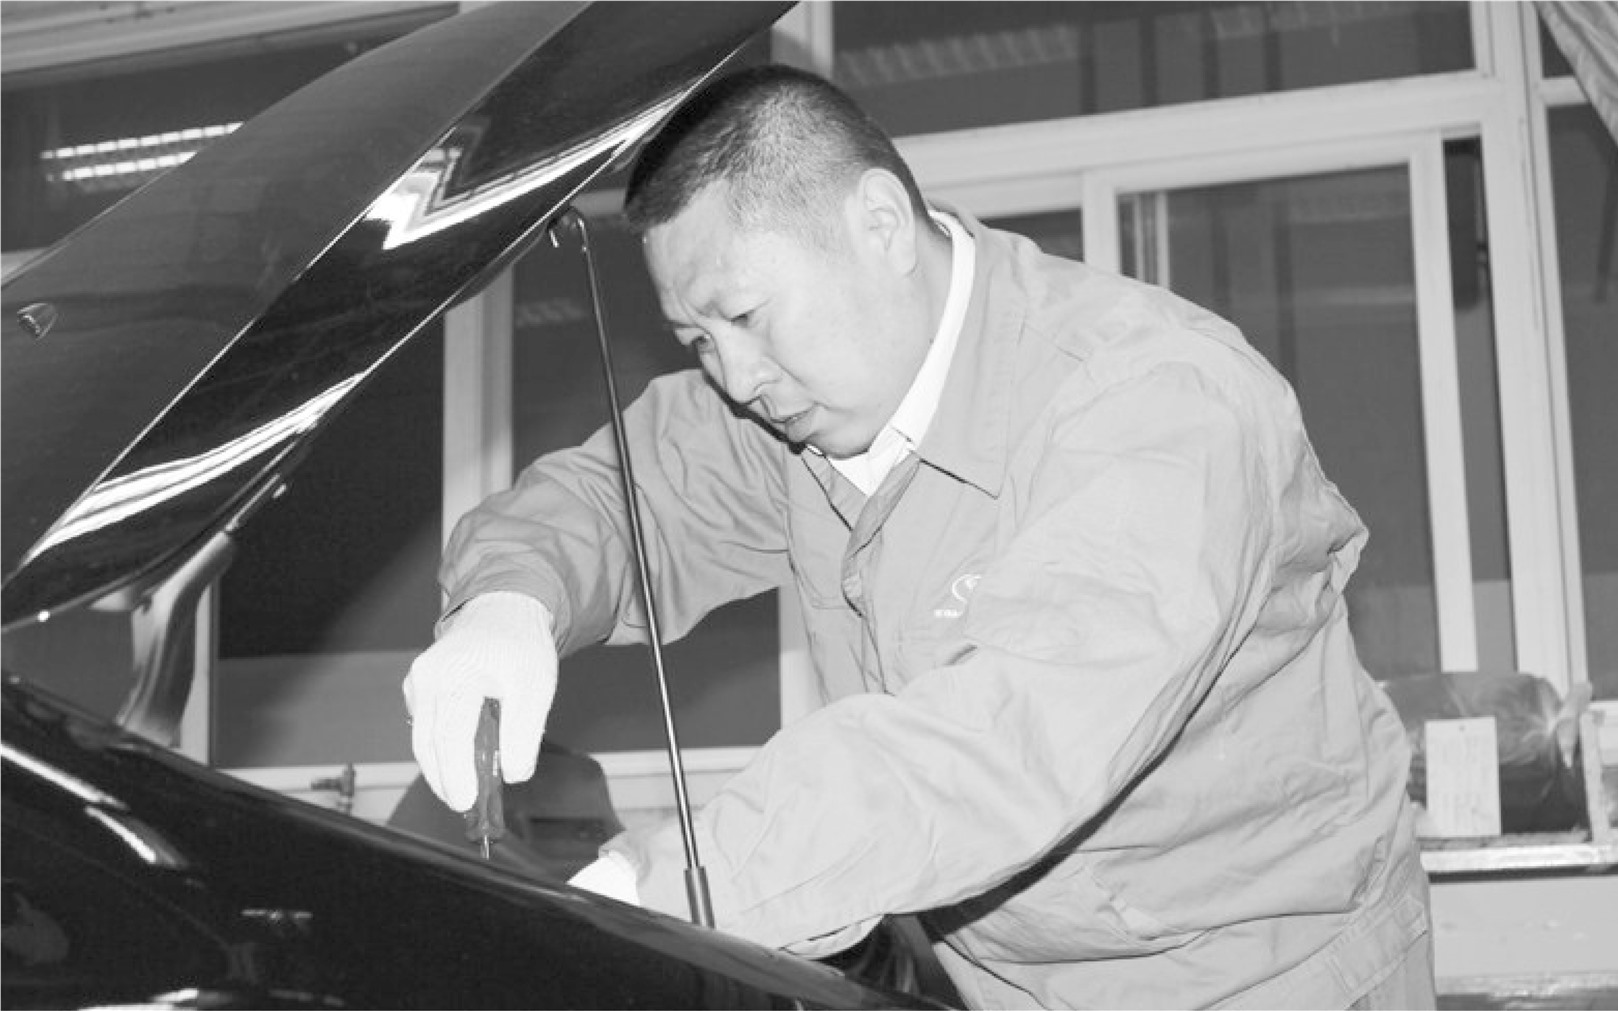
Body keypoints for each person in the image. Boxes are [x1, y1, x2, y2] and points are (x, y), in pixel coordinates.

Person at [404, 65, 1433, 1010]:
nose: (736, 376)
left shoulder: (1156, 402)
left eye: (746, 316)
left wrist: (664, 888)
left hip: (1272, 978)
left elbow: (1002, 741)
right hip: (1015, 986)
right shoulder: (796, 413)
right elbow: (612, 498)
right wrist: (509, 602)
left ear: (882, 225)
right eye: (697, 341)